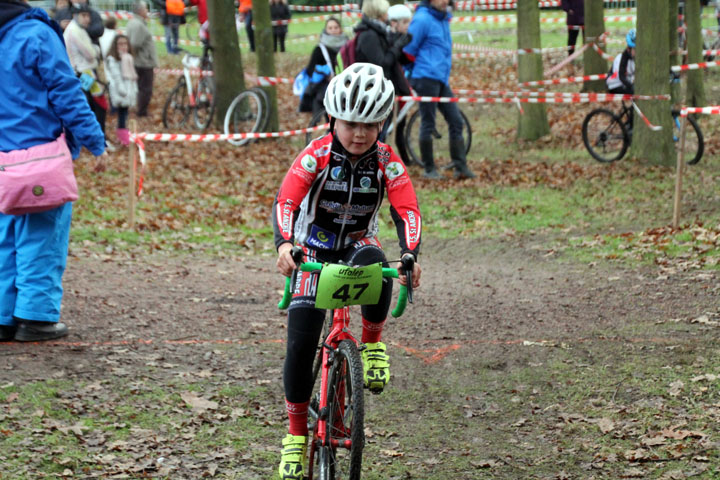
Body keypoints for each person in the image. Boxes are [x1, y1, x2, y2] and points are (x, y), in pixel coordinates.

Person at [272, 63, 422, 480]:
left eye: (370, 125)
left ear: (381, 124)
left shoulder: (386, 160)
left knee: (379, 262)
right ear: (333, 119)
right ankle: (295, 437)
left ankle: (372, 346)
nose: (360, 134)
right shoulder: (316, 154)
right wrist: (285, 244)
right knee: (301, 347)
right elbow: (286, 200)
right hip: (313, 248)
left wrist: (410, 253)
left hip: (358, 243)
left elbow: (406, 208)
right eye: (352, 123)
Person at [0, 0, 105, 342]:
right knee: (42, 237)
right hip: (39, 158)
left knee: (4, 239)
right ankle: (36, 317)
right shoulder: (35, 34)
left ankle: (3, 316)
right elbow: (66, 92)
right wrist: (94, 140)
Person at [404, 0, 475, 179]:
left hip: (441, 79)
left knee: (456, 120)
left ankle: (460, 166)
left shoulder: (443, 19)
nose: (445, 1)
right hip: (425, 77)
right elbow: (408, 50)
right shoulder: (422, 19)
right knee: (428, 123)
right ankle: (429, 169)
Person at [354, 0, 413, 162]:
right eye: (385, 12)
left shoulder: (379, 32)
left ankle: (381, 161)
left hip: (384, 89)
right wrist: (398, 46)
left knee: (385, 130)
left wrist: (398, 43)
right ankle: (372, 162)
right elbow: (382, 64)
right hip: (373, 90)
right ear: (378, 13)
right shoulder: (369, 35)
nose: (388, 16)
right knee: (378, 131)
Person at [64, 3, 112, 152]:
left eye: (88, 16)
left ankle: (93, 139)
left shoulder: (77, 29)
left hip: (84, 72)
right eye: (84, 16)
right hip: (85, 74)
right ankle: (100, 140)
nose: (87, 19)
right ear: (76, 16)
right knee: (99, 105)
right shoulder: (75, 31)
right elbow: (91, 53)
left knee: (90, 106)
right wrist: (97, 49)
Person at [299, 17, 348, 115]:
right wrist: (325, 75)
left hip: (345, 88)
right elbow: (311, 71)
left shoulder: (347, 46)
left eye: (336, 27)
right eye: (330, 28)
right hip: (325, 91)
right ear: (326, 30)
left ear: (340, 29)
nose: (333, 30)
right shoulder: (319, 49)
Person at [105, 34, 138, 146]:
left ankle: (123, 134)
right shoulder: (113, 59)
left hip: (128, 90)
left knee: (124, 114)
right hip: (120, 92)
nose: (123, 46)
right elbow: (116, 77)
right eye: (120, 44)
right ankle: (123, 136)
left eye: (125, 43)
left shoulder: (127, 57)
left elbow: (131, 76)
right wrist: (123, 91)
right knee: (122, 115)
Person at [126, 1, 158, 118]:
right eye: (145, 9)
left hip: (140, 61)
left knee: (141, 87)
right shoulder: (138, 25)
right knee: (146, 88)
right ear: (140, 11)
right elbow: (134, 44)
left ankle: (140, 109)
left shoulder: (133, 22)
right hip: (143, 62)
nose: (147, 12)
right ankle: (142, 112)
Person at [606, 28, 636, 95]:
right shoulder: (621, 58)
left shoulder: (634, 58)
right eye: (635, 49)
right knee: (634, 91)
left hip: (625, 82)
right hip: (614, 84)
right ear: (629, 49)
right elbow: (621, 76)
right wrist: (632, 86)